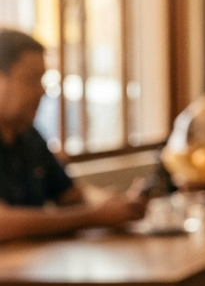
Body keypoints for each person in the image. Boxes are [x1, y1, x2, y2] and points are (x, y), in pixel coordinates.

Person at [0, 29, 146, 242]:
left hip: (35, 268)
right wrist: (93, 217)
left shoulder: (30, 137)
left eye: (43, 80)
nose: (42, 91)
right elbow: (3, 224)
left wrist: (117, 203)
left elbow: (73, 195)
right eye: (31, 80)